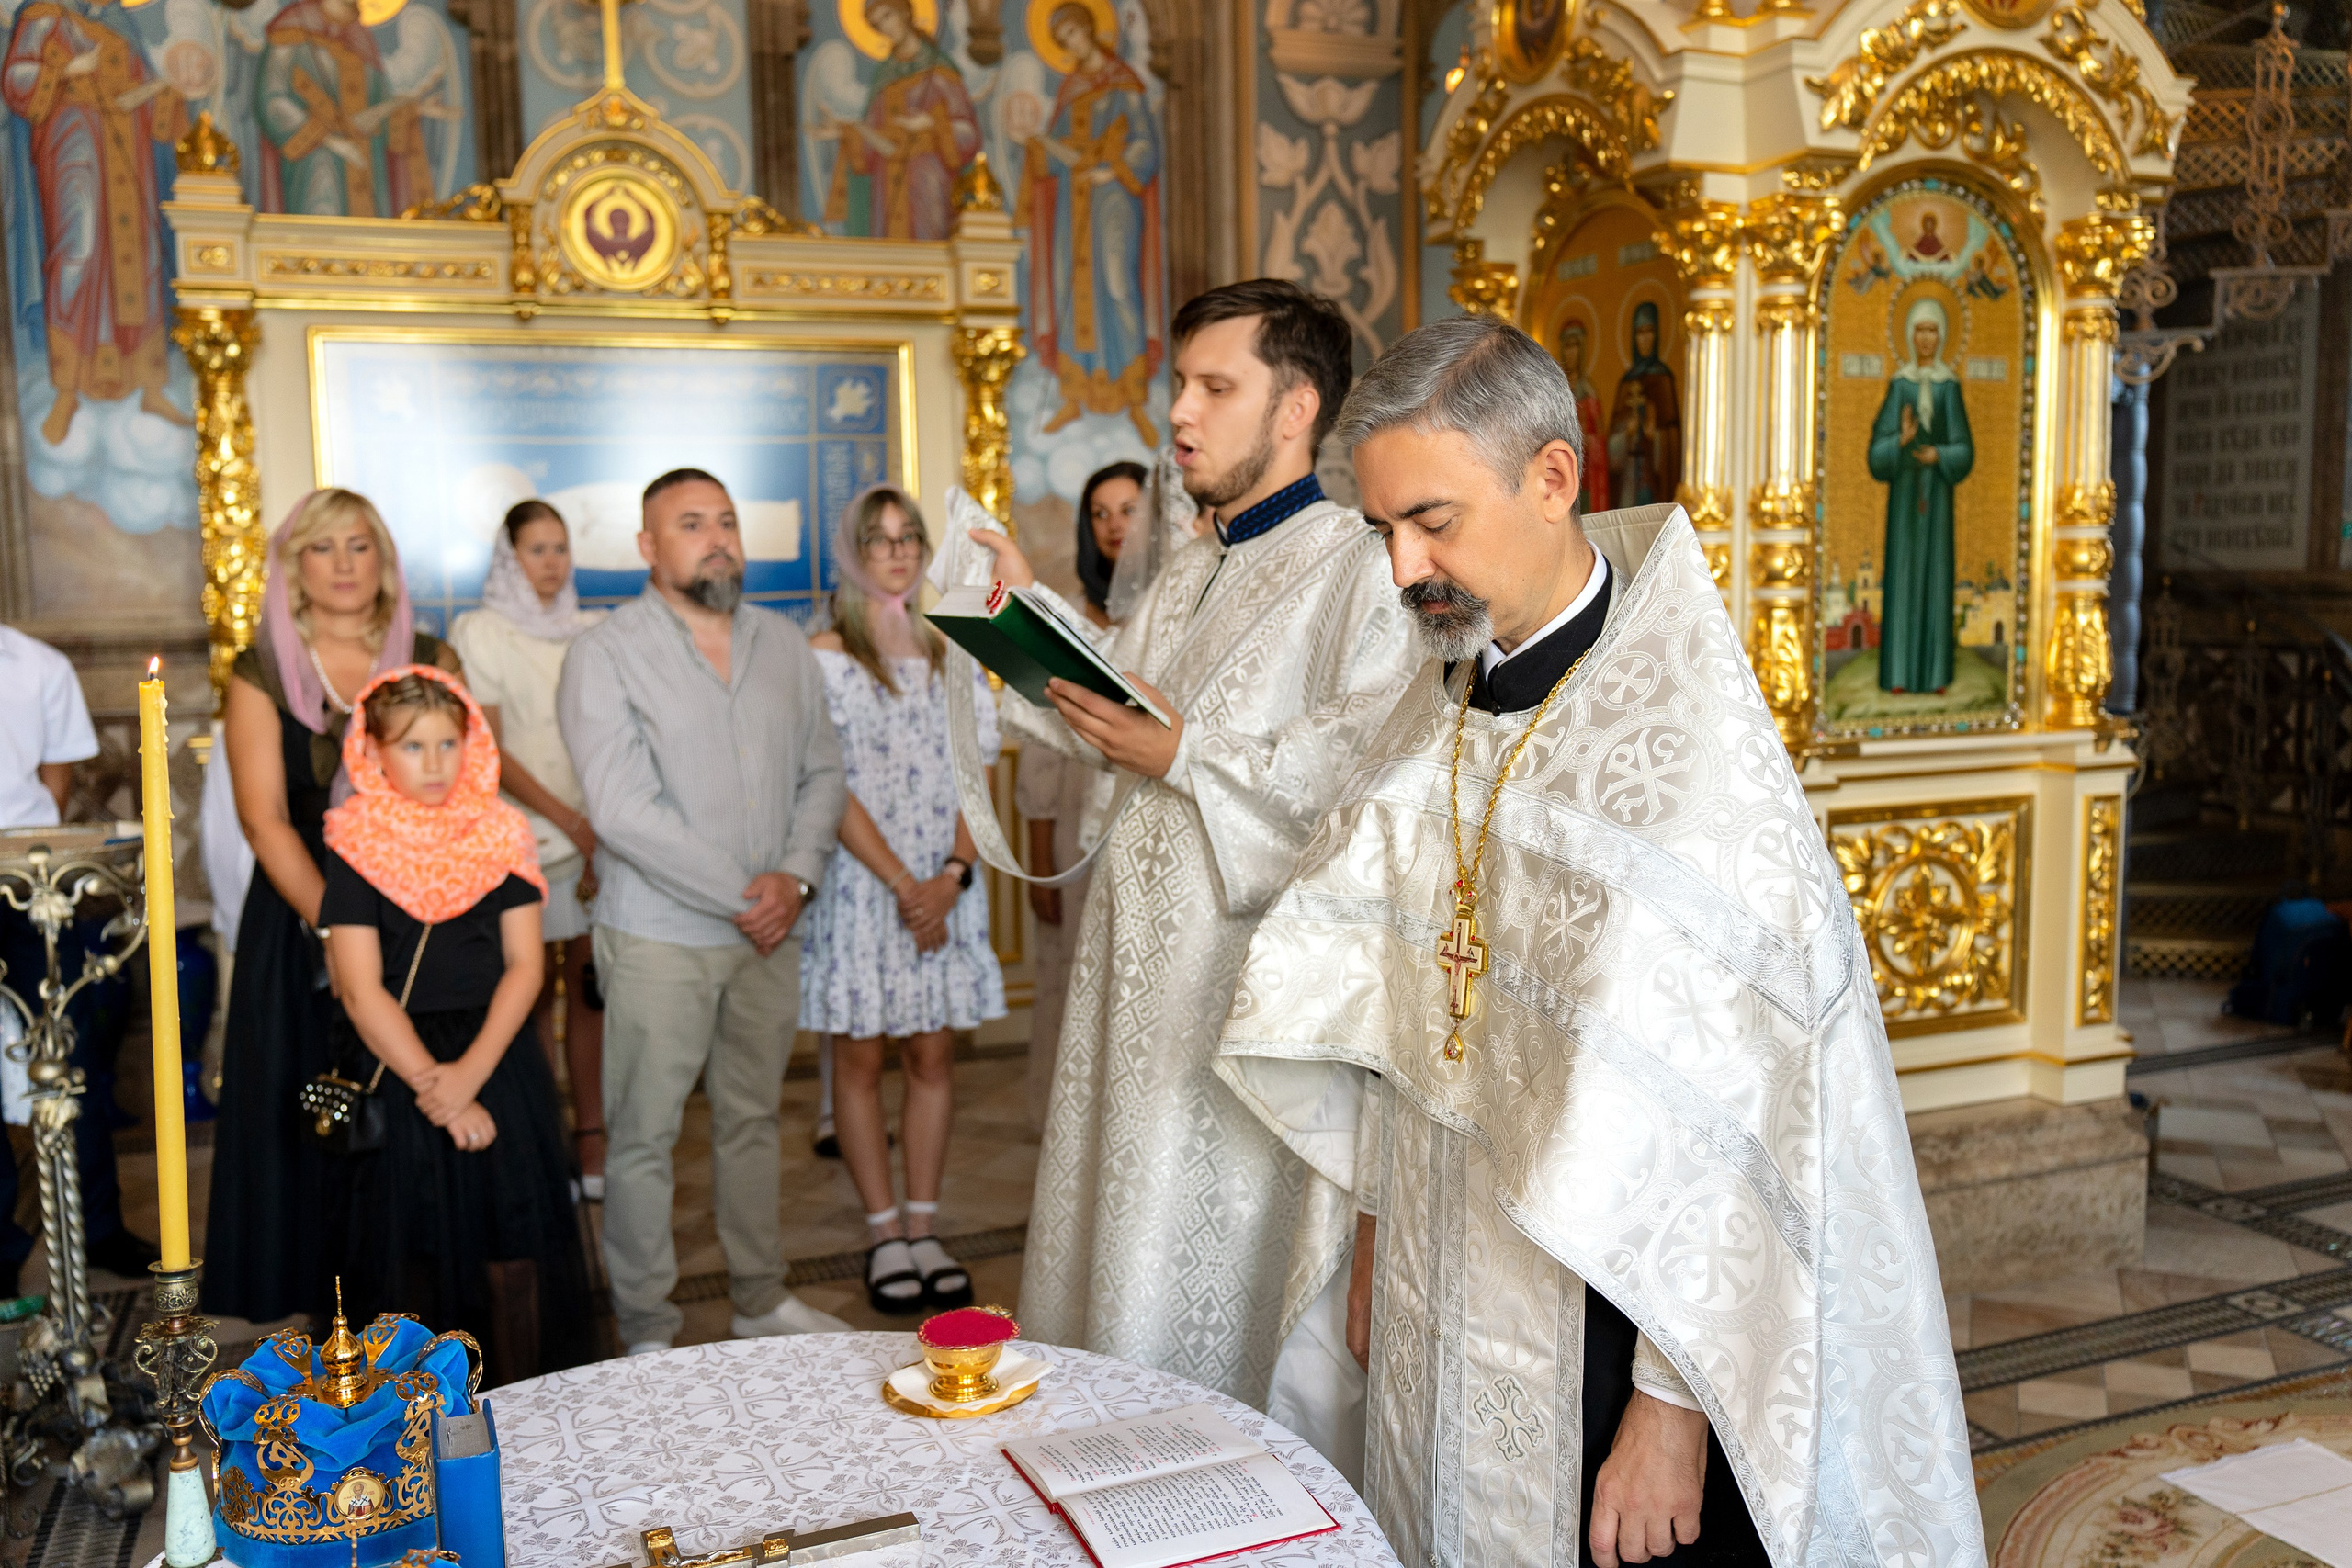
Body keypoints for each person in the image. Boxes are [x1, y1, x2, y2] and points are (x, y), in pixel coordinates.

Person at [1215, 315, 1979, 1566]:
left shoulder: (1691, 762)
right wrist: (1371, 1235)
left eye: (1435, 520)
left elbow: (1750, 1125)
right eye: (1383, 528)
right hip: (1433, 1280)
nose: (1404, 568)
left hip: (1613, 1332)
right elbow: (1382, 1020)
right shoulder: (1436, 697)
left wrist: (1671, 1415)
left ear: (1555, 477)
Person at [970, 279, 1419, 1478]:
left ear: (1296, 408)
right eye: (1179, 384)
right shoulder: (1185, 568)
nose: (1178, 412)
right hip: (1133, 999)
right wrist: (1024, 616)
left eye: (1214, 386)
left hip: (1237, 1018)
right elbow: (1113, 719)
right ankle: (1114, 1490)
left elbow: (1363, 782)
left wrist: (1183, 754)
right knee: (1122, 1261)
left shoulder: (1358, 571)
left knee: (1218, 1297)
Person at [557, 467, 850, 1355]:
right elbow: (620, 809)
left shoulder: (785, 645)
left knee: (754, 1118)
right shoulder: (603, 653)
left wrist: (794, 878)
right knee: (644, 1135)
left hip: (770, 933)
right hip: (660, 936)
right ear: (648, 547)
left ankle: (760, 1296)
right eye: (691, 524)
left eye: (726, 521)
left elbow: (825, 771)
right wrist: (746, 894)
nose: (717, 537)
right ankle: (647, 1326)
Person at [208, 488, 464, 1324]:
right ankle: (325, 1314)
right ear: (295, 566)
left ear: (382, 559)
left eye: (361, 545)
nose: (346, 564)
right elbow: (264, 817)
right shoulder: (262, 671)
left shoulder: (428, 652)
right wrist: (339, 922)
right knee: (312, 1115)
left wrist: (413, 912)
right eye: (324, 548)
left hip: (425, 906)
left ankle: (419, 1294)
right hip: (304, 913)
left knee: (418, 1099)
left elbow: (466, 790)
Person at [321, 667, 595, 1384]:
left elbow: (525, 968)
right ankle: (426, 1425)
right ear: (372, 751)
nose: (436, 763)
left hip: (495, 1057)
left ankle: (526, 1404)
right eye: (413, 747)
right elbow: (357, 986)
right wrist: (433, 1086)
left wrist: (467, 1079)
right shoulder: (354, 841)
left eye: (449, 742)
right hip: (402, 1060)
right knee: (415, 1255)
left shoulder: (501, 830)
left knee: (515, 1246)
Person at [800, 486, 1005, 1314]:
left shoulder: (956, 646)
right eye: (878, 539)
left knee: (930, 1055)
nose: (896, 551)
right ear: (852, 552)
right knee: (859, 1058)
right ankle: (883, 1231)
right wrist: (901, 885)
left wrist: (950, 878)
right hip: (865, 886)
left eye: (909, 537)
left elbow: (975, 770)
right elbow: (831, 785)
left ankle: (924, 1225)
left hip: (943, 885)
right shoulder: (824, 654)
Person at [449, 502, 608, 1199]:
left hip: (597, 835)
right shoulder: (480, 631)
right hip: (524, 838)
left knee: (593, 990)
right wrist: (566, 818)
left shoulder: (594, 631)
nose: (551, 562)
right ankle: (546, 1139)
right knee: (531, 992)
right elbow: (489, 749)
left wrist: (597, 822)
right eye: (536, 549)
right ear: (510, 557)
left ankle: (594, 1136)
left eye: (560, 548)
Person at [0, 627, 157, 1295]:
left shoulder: (37, 663)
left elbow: (55, 775)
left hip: (25, 880)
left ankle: (97, 1224)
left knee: (70, 1049)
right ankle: (2, 1244)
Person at [2, 0, 189, 446]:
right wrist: (66, 72)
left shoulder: (117, 24)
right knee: (77, 250)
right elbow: (15, 81)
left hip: (126, 151)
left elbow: (136, 91)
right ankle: (66, 391)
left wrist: (162, 92)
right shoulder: (41, 16)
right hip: (72, 143)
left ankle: (150, 386)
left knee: (139, 259)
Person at [1015, 460, 1138, 1133]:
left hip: (1140, 804)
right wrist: (1039, 853)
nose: (1116, 524)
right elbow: (1041, 739)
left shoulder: (1174, 600)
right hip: (1072, 810)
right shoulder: (1071, 605)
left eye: (1128, 509)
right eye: (1102, 513)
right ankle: (1063, 1128)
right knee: (1067, 973)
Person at [1022, 2, 1164, 445]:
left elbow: (1146, 146)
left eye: (1074, 35)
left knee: (1118, 283)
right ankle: (1074, 393)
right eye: (1062, 42)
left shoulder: (1125, 84)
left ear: (1090, 31)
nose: (1070, 46)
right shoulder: (1071, 89)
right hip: (1073, 208)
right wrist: (1034, 145)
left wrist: (1113, 170)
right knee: (1072, 286)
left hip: (1114, 202)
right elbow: (1052, 159)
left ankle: (1134, 399)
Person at [1870, 299, 1973, 694]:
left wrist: (1941, 454)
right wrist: (1903, 440)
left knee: (1934, 577)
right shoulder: (1901, 385)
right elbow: (1876, 453)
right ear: (1910, 336)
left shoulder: (1949, 387)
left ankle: (1934, 675)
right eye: (1919, 330)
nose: (1926, 338)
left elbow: (1965, 448)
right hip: (1904, 496)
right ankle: (1897, 674)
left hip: (1939, 497)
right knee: (1904, 575)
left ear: (1942, 336)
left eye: (1932, 330)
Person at [814, 0, 979, 240]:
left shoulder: (940, 69)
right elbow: (874, 138)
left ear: (904, 13)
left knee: (929, 247)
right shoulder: (885, 76)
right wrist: (845, 131)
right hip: (888, 184)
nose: (885, 27)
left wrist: (931, 124)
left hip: (928, 177)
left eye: (888, 16)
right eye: (877, 24)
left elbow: (968, 133)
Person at [1605, 300, 1680, 507]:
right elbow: (1611, 447)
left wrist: (1654, 436)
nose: (1645, 339)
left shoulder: (1663, 380)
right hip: (1628, 476)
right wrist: (1625, 433)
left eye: (1649, 332)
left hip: (1652, 479)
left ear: (1657, 336)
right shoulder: (1626, 383)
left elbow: (1673, 439)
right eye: (1640, 333)